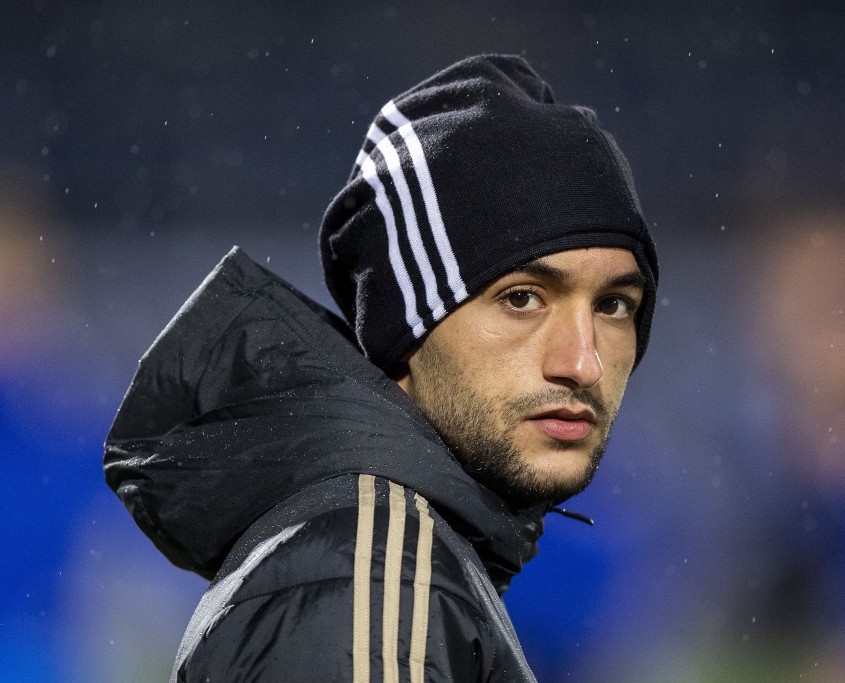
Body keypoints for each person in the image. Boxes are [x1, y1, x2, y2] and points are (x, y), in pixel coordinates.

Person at [104, 54, 658, 682]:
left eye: (614, 306)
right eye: (521, 298)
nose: (582, 362)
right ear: (408, 326)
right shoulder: (373, 574)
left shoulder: (386, 556)